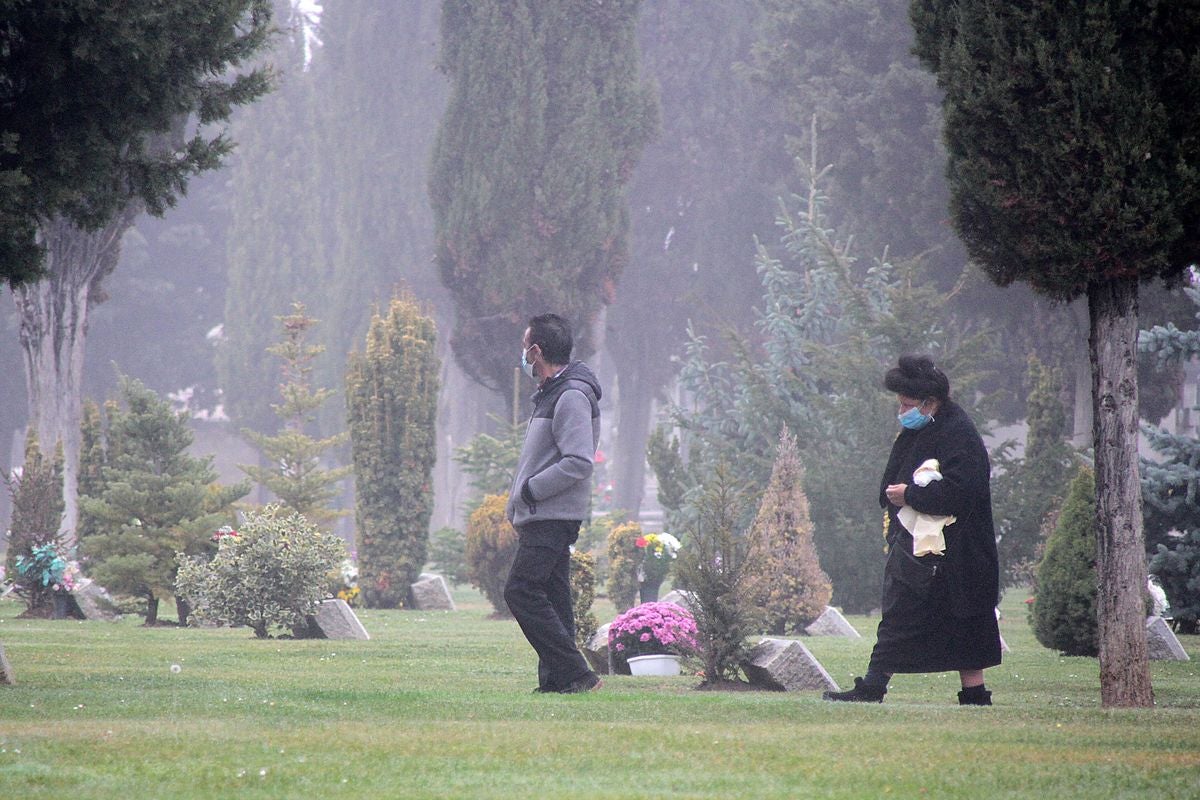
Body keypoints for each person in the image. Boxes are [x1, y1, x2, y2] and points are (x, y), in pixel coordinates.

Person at [823, 354, 1001, 705]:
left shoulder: (957, 432)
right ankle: (874, 685)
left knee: (966, 624)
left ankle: (974, 693)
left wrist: (911, 494)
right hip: (920, 548)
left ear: (929, 402)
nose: (902, 410)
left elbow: (964, 489)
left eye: (907, 404)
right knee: (900, 615)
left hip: (955, 552)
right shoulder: (925, 426)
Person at [504, 313, 603, 694]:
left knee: (521, 590)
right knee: (554, 595)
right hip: (541, 514)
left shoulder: (572, 395)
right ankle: (558, 681)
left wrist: (530, 491)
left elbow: (578, 461)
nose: (523, 356)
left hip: (552, 514)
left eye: (525, 347)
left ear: (536, 350)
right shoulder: (552, 392)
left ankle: (577, 673)